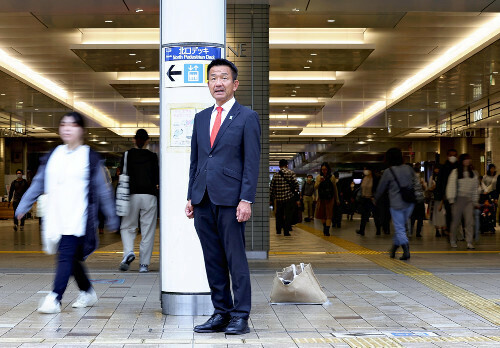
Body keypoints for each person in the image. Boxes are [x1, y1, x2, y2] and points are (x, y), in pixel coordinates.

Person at [15, 112, 119, 314]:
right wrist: (23, 205)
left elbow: (102, 189)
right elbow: (39, 183)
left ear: (81, 130)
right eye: (63, 124)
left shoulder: (89, 156)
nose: (67, 128)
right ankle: (87, 292)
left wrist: (111, 216)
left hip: (79, 216)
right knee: (70, 258)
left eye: (72, 124)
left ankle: (55, 297)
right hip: (57, 216)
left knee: (65, 254)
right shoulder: (55, 154)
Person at [185, 59, 260, 335]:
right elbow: (196, 160)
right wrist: (191, 196)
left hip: (231, 200)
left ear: (235, 84)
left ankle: (241, 315)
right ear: (208, 84)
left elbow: (252, 162)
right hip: (203, 198)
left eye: (224, 78)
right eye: (213, 78)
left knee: (235, 259)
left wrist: (246, 199)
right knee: (212, 259)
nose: (218, 82)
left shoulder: (247, 117)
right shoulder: (201, 117)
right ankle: (221, 312)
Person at [118, 129, 159, 273]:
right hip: (150, 196)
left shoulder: (127, 155)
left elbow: (121, 174)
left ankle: (129, 251)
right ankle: (144, 265)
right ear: (147, 141)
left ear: (134, 140)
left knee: (127, 227)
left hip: (131, 196)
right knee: (148, 231)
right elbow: (157, 178)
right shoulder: (153, 157)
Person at [375, 148, 422, 260]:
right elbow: (416, 182)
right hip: (409, 202)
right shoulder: (408, 168)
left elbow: (381, 188)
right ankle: (394, 249)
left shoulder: (388, 172)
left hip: (396, 204)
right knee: (401, 226)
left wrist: (376, 198)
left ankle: (406, 251)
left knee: (399, 227)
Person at [446, 153, 479, 249]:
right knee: (456, 221)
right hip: (458, 199)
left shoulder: (473, 173)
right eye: (465, 159)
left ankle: (469, 241)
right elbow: (451, 186)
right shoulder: (455, 172)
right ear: (462, 161)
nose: (468, 161)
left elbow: (475, 189)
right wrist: (451, 199)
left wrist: (475, 200)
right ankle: (453, 239)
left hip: (469, 200)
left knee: (469, 221)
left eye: (469, 159)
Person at [270, 159, 299, 235]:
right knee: (288, 214)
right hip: (289, 198)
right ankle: (286, 231)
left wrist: (272, 197)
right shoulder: (291, 173)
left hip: (279, 199)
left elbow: (272, 187)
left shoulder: (276, 174)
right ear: (287, 165)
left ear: (279, 166)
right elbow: (296, 185)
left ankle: (278, 230)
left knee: (279, 214)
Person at [436, 149, 458, 234]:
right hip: (447, 194)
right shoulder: (444, 167)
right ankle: (450, 230)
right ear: (447, 156)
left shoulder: (459, 167)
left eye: (454, 155)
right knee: (449, 213)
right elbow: (440, 182)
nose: (453, 157)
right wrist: (441, 195)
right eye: (451, 155)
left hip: (458, 195)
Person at [315, 162, 339, 236]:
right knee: (322, 214)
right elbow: (315, 187)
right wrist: (319, 182)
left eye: (325, 169)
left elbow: (335, 189)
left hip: (330, 198)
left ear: (328, 169)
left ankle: (327, 230)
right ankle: (325, 227)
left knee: (329, 214)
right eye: (322, 169)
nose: (324, 171)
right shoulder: (319, 177)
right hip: (321, 198)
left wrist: (337, 199)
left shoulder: (332, 177)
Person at [356, 167, 379, 236]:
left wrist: (374, 197)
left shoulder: (375, 179)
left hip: (371, 199)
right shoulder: (364, 178)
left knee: (375, 215)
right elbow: (361, 188)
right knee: (364, 215)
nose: (365, 171)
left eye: (366, 169)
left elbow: (377, 189)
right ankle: (361, 230)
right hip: (364, 199)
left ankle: (378, 230)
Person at [428, 166, 446, 237]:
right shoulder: (432, 178)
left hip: (442, 199)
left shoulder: (443, 177)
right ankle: (437, 230)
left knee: (443, 215)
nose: (437, 170)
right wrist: (432, 188)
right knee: (436, 215)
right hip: (434, 199)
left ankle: (443, 229)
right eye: (436, 169)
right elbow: (429, 188)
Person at [410, 164, 427, 237]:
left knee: (415, 218)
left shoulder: (421, 179)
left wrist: (422, 184)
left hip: (417, 200)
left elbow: (424, 188)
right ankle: (416, 232)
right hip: (417, 200)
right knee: (415, 218)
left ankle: (414, 232)